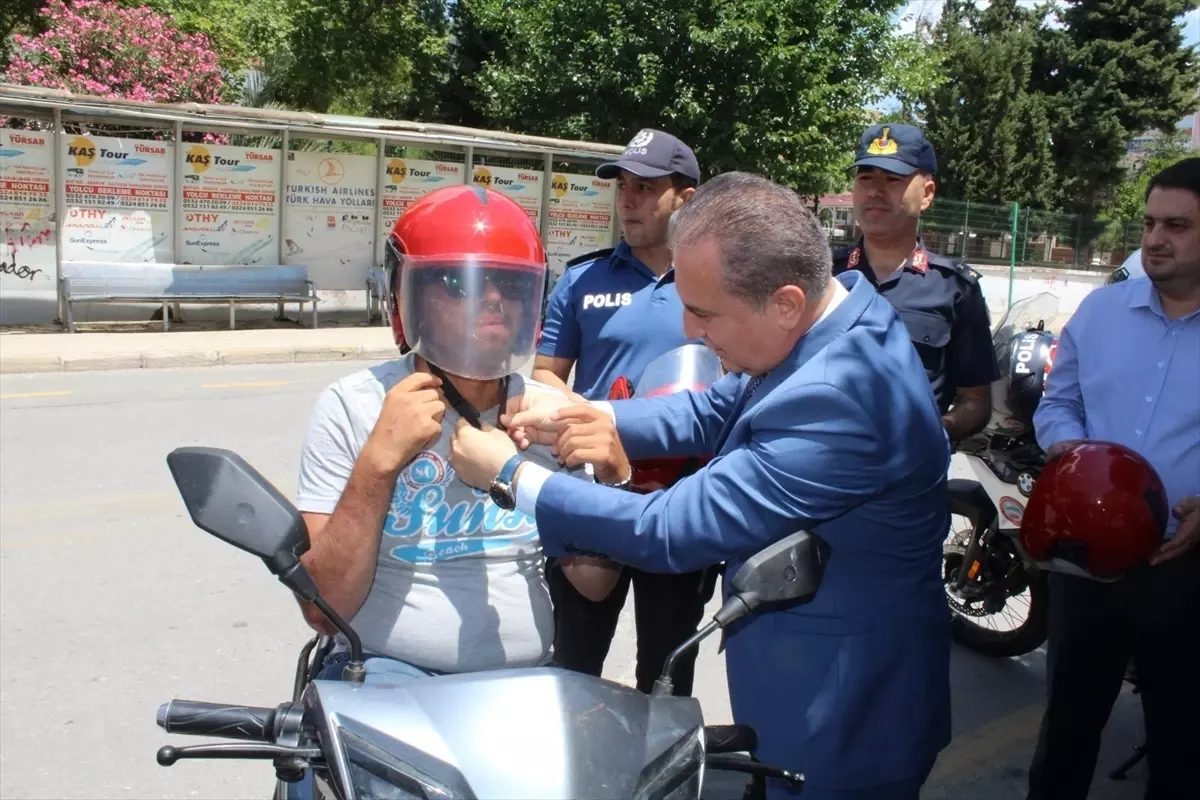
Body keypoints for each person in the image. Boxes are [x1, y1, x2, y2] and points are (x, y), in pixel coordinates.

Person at [449, 172, 954, 799]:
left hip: (844, 720)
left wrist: (511, 474)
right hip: (809, 685)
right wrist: (585, 414)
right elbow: (714, 407)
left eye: (704, 312)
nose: (689, 330)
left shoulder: (841, 397)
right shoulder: (836, 313)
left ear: (785, 303)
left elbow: (667, 529)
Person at [291, 185, 621, 684]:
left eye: (509, 285)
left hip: (521, 678)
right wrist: (378, 463)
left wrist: (611, 482)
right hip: (384, 669)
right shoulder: (355, 405)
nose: (493, 300)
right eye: (461, 284)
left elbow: (594, 584)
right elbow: (324, 609)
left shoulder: (552, 415)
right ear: (412, 298)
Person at [1026, 157, 1200, 800]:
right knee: (1067, 730)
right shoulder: (1100, 313)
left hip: (1184, 569)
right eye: (1150, 223)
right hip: (1087, 567)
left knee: (1181, 742)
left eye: (1177, 226)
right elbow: (1058, 401)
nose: (1155, 239)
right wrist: (1070, 452)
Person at [533, 127, 713, 696]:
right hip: (594, 498)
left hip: (682, 500)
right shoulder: (582, 279)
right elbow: (545, 375)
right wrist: (584, 418)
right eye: (623, 187)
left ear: (685, 198)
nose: (629, 201)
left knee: (666, 672)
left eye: (646, 188)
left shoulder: (717, 281)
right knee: (574, 663)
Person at [833, 123, 999, 444]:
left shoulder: (955, 289)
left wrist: (933, 433)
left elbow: (976, 402)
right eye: (865, 178)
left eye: (892, 179)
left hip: (909, 469)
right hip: (821, 462)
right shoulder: (821, 275)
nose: (875, 191)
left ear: (927, 194)